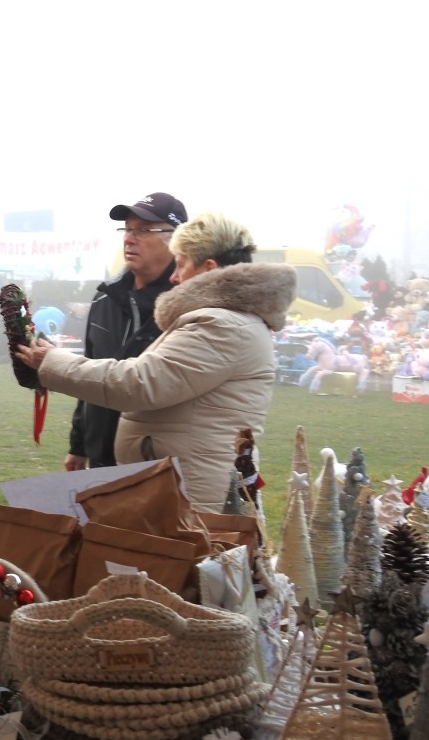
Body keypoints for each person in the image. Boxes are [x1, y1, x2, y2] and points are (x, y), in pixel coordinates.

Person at [18, 212, 297, 513]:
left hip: (194, 495)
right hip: (186, 485)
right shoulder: (225, 320)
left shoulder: (221, 325)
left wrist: (51, 362)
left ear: (208, 268)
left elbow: (139, 383)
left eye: (180, 265)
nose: (174, 278)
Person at [64, 192, 187, 472]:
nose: (129, 239)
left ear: (177, 240)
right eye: (127, 229)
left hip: (156, 465)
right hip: (100, 460)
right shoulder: (104, 298)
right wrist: (78, 445)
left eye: (143, 230)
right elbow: (89, 374)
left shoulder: (188, 307)